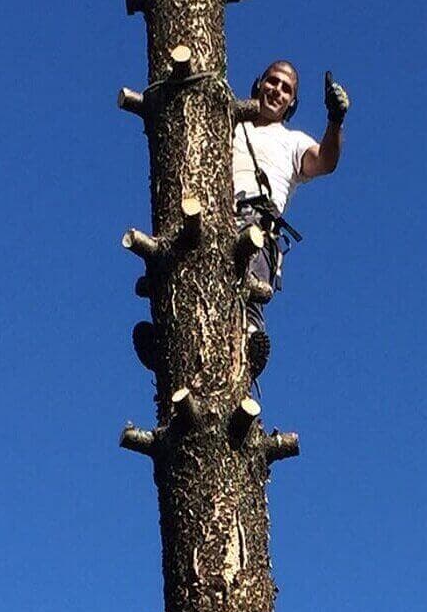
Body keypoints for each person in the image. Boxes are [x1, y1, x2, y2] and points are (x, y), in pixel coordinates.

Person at [133, 60, 349, 378]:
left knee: (246, 283)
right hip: (211, 212)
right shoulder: (228, 124)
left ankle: (249, 343)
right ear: (258, 84)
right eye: (272, 82)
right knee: (181, 269)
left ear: (292, 103)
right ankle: (167, 337)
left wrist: (335, 119)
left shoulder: (293, 141)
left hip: (255, 222)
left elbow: (325, 161)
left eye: (286, 88)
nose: (277, 90)